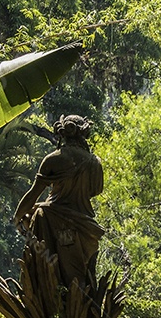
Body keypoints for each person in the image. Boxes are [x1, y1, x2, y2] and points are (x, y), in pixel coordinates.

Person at [12, 114, 105, 290]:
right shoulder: (95, 163)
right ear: (84, 133)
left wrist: (17, 217)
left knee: (36, 213)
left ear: (61, 133)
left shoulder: (54, 159)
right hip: (84, 225)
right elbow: (95, 191)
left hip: (51, 221)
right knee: (80, 278)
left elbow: (34, 193)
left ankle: (43, 291)